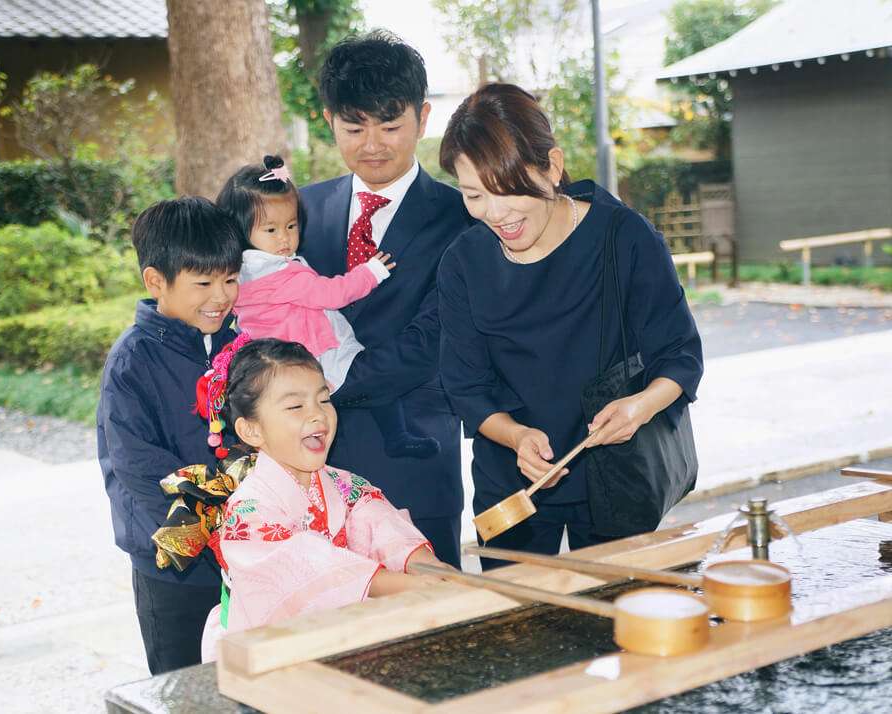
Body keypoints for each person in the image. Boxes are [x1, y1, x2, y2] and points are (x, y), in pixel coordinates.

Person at [437, 83, 704, 567]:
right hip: (511, 478)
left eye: (508, 189)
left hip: (617, 473)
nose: (495, 214)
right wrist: (516, 436)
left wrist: (640, 407)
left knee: (619, 619)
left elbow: (681, 356)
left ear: (552, 167)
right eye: (474, 195)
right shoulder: (463, 262)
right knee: (514, 626)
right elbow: (465, 386)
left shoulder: (625, 239)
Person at [298, 30, 474, 567]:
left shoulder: (462, 218)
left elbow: (433, 342)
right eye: (354, 127)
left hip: (411, 466)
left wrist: (318, 389)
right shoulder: (299, 212)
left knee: (426, 632)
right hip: (306, 471)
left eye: (391, 126)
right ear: (330, 121)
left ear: (423, 119)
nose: (372, 145)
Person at [198, 338, 446, 661]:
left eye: (324, 400)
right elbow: (308, 568)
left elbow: (381, 525)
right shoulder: (248, 511)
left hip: (335, 640)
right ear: (251, 431)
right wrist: (405, 586)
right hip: (270, 654)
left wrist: (427, 567)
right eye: (295, 406)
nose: (318, 416)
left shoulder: (343, 484)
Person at [97, 197, 244, 674]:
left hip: (245, 546)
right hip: (173, 557)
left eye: (229, 278)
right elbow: (139, 468)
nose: (220, 296)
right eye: (203, 283)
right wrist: (213, 524)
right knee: (183, 682)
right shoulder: (133, 360)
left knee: (248, 676)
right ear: (156, 281)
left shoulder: (241, 344)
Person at [217, 154, 440, 460]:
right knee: (372, 382)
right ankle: (397, 436)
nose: (284, 238)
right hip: (313, 350)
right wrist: (370, 273)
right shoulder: (278, 272)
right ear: (243, 231)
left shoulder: (243, 270)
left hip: (277, 359)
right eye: (271, 230)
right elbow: (331, 294)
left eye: (291, 226)